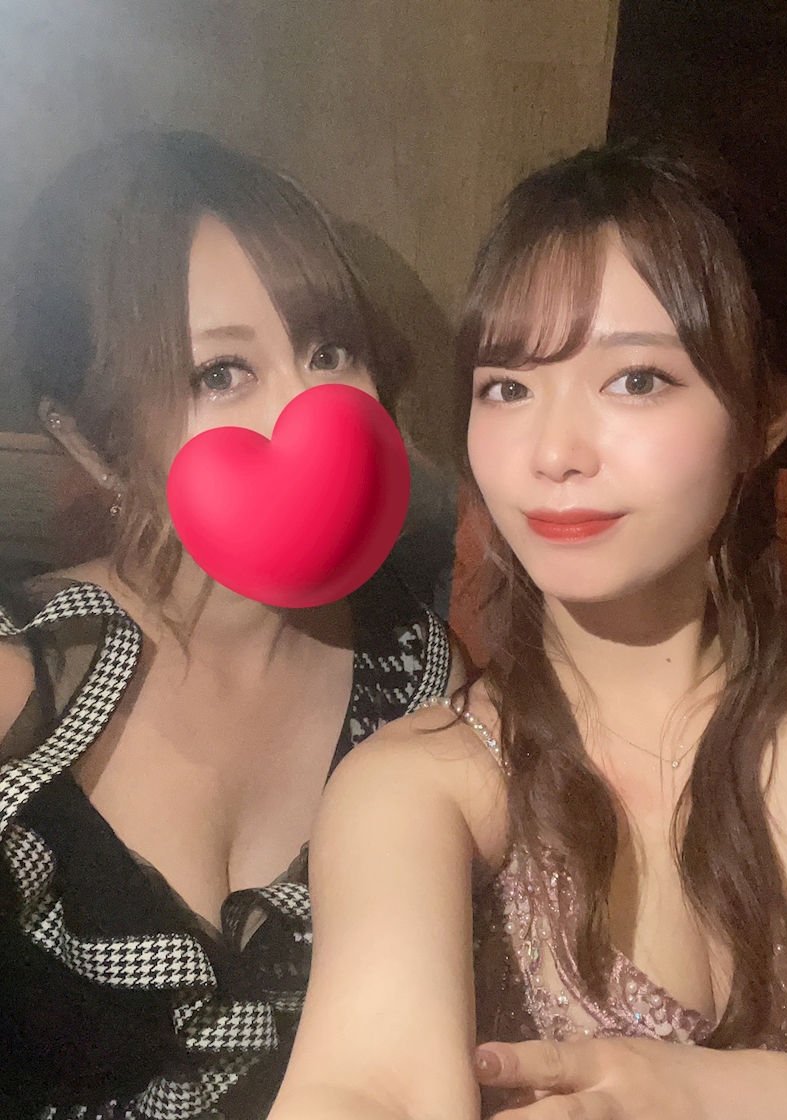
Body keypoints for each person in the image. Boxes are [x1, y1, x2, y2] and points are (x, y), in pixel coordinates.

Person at [269, 146, 787, 1120]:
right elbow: (366, 1083)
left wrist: (733, 1097)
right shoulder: (423, 782)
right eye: (508, 387)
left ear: (768, 411)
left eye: (637, 380)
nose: (554, 452)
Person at [0, 130, 458, 1120]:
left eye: (330, 351)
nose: (312, 408)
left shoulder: (426, 678)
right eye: (220, 373)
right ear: (90, 440)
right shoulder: (14, 687)